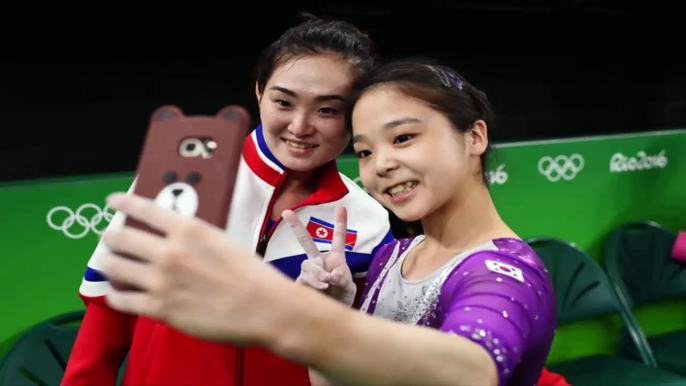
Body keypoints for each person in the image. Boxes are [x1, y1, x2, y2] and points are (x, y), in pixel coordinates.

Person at [95, 57, 558, 386]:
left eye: (403, 137)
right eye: (365, 151)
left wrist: (290, 317)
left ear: (474, 136)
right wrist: (333, 307)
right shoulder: (396, 255)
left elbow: (473, 368)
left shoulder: (502, 273)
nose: (382, 165)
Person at [61, 15, 394, 386]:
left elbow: (366, 364)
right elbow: (108, 313)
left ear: (356, 114)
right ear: (259, 93)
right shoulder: (184, 173)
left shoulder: (368, 222)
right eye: (283, 102)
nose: (300, 126)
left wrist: (333, 315)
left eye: (327, 110)